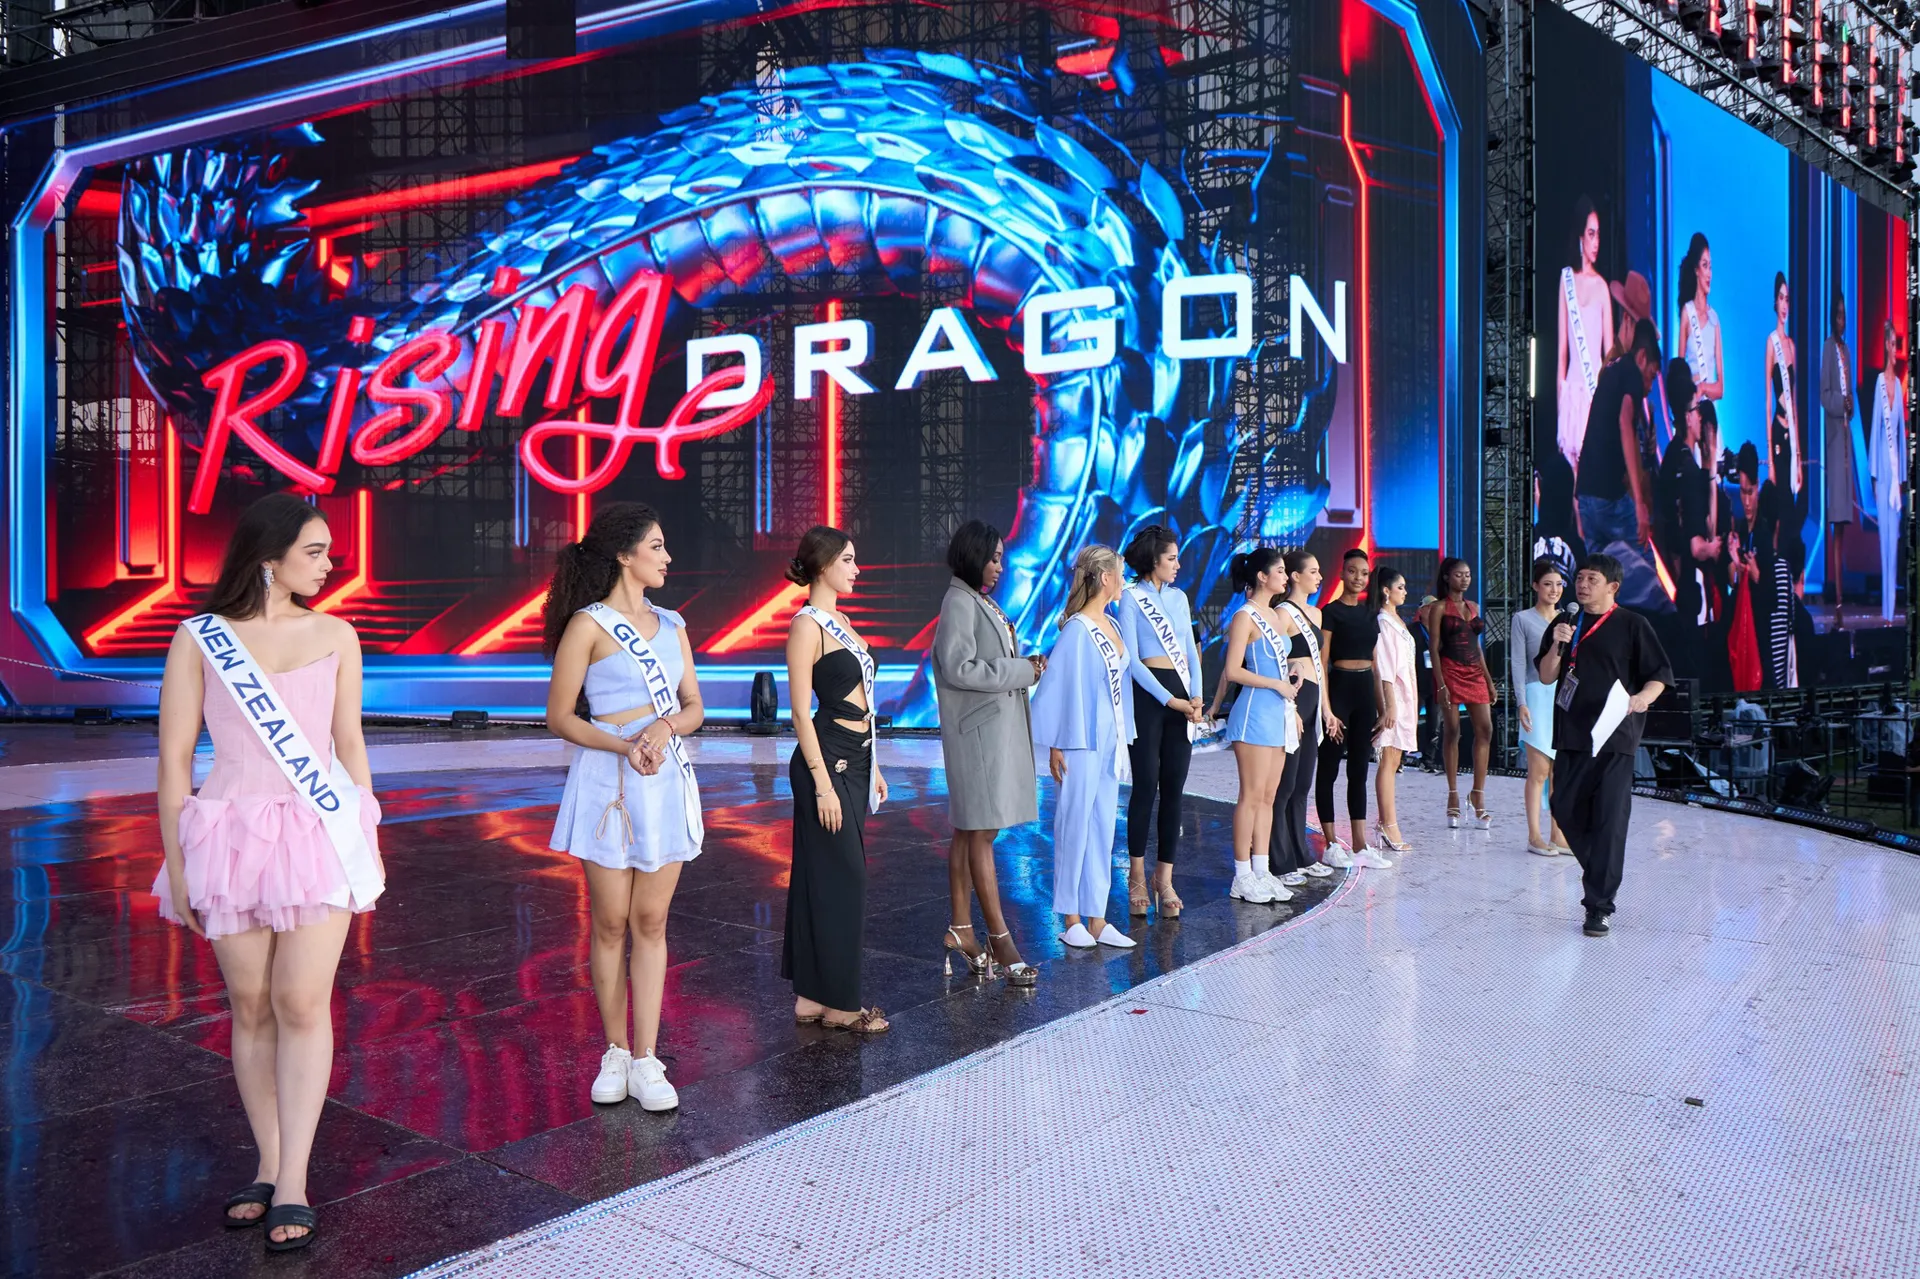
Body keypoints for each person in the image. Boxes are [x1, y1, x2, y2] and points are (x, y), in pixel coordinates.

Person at [153, 493, 385, 1252]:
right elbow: (174, 761)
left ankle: (294, 1181)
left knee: (300, 1000)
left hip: (318, 833)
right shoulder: (200, 639)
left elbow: (349, 742)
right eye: (314, 551)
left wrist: (365, 834)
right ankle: (268, 1161)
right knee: (250, 1005)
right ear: (267, 557)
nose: (328, 564)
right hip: (228, 835)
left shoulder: (338, 633)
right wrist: (178, 866)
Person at [544, 503, 704, 1112]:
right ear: (623, 554)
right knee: (610, 922)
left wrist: (664, 728)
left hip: (664, 779)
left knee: (652, 922)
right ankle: (614, 1051)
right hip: (607, 782)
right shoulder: (587, 625)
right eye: (657, 546)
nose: (668, 557)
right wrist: (624, 745)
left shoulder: (673, 624)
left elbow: (694, 706)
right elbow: (560, 716)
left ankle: (646, 1058)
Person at [784, 526, 891, 1032]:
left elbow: (864, 701)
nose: (855, 569)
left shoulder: (842, 622)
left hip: (858, 759)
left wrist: (877, 765)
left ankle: (811, 998)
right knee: (845, 879)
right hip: (825, 763)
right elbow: (800, 714)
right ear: (824, 565)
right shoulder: (807, 626)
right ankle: (843, 1005)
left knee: (824, 877)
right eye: (847, 560)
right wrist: (823, 784)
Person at [1536, 553, 1674, 937]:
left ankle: (1598, 906)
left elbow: (1658, 675)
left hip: (1616, 736)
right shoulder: (1565, 623)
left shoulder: (1633, 624)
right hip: (1572, 733)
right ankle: (1602, 870)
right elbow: (1546, 676)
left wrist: (1643, 698)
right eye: (1579, 578)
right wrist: (1556, 646)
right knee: (1563, 807)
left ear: (1613, 587)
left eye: (1591, 579)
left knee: (1610, 821)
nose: (1582, 585)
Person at [932, 519, 1044, 986]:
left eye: (1001, 558)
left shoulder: (973, 598)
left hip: (985, 733)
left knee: (970, 831)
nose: (1000, 566)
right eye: (994, 558)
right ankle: (1001, 940)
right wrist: (1023, 670)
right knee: (981, 833)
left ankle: (961, 928)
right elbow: (959, 667)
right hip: (977, 736)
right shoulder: (959, 600)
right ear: (973, 555)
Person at [1031, 545, 1137, 948]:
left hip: (1109, 739)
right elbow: (1058, 687)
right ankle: (1070, 916)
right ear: (1106, 578)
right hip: (1078, 739)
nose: (1124, 581)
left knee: (1103, 825)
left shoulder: (1114, 626)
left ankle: (1098, 917)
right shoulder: (1077, 629)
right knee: (1073, 823)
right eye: (1121, 574)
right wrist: (1057, 744)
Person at [1118, 525, 1204, 917]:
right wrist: (1169, 699)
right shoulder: (1130, 597)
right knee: (1145, 786)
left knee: (1174, 789)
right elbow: (1132, 660)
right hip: (1150, 698)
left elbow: (1190, 651)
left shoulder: (1179, 598)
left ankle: (1164, 878)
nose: (1177, 564)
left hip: (1183, 698)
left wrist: (1196, 696)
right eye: (1171, 558)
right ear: (1154, 560)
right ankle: (1137, 875)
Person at [1208, 547, 1299, 904]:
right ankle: (1242, 875)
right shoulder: (1244, 617)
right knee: (1251, 795)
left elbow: (1277, 663)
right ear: (1262, 576)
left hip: (1278, 713)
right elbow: (1232, 671)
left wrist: (1290, 676)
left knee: (1268, 797)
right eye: (1280, 570)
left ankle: (1262, 871)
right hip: (1254, 714)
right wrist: (1276, 683)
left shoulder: (1275, 615)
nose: (1285, 576)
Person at [1315, 549, 1392, 867]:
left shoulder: (1371, 615)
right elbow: (1321, 662)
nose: (1358, 578)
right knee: (1329, 768)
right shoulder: (1330, 612)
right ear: (1342, 573)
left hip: (1364, 695)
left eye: (1364, 573)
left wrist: (1383, 707)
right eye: (1352, 571)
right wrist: (1327, 708)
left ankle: (1360, 846)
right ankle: (1331, 844)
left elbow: (1375, 665)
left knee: (1359, 770)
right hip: (1339, 690)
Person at [1269, 550, 1338, 883]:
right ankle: (1279, 860)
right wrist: (1291, 707)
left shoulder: (1317, 613)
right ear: (1295, 576)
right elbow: (1275, 662)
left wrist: (1326, 709)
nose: (1319, 577)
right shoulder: (1282, 613)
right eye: (1313, 571)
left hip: (1314, 698)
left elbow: (1319, 665)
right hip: (1295, 700)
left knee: (1302, 784)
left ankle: (1302, 854)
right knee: (1285, 784)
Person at [1578, 318, 1662, 556]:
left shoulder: (1611, 370)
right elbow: (1625, 423)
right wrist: (1639, 503)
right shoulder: (1632, 373)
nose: (1650, 387)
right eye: (1651, 376)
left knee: (1600, 573)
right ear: (1642, 357)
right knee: (1644, 561)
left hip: (1585, 495)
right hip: (1607, 496)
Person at [1422, 557, 1495, 829]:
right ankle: (1452, 794)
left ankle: (1477, 793)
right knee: (1452, 730)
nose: (1464, 579)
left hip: (1475, 672)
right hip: (1450, 671)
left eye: (1468, 574)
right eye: (1458, 575)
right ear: (1446, 577)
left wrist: (1488, 680)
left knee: (1485, 729)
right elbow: (1434, 648)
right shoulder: (1438, 608)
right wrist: (1440, 684)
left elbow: (1477, 647)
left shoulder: (1473, 606)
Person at [1655, 360, 1723, 636]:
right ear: (1687, 417)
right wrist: (1715, 548)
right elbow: (1698, 546)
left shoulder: (1671, 456)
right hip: (1688, 591)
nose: (1701, 416)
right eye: (1696, 409)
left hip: (1670, 583)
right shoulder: (1689, 470)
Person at [1510, 557, 1572, 857]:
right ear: (1535, 586)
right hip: (1536, 695)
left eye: (1559, 584)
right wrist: (1521, 702)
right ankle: (1534, 836)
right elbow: (1518, 664)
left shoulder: (1568, 619)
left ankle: (1557, 835)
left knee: (1560, 771)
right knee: (1539, 770)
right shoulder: (1522, 619)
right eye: (1548, 584)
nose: (1554, 590)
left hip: (1563, 697)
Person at [1558, 196, 1611, 476]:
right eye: (1591, 234)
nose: (1596, 242)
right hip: (1572, 397)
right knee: (1573, 488)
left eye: (1598, 234)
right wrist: (1560, 408)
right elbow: (1562, 353)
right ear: (1580, 237)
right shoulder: (1566, 280)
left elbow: (1610, 354)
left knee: (1593, 482)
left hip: (1595, 396)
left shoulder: (1603, 287)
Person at [1371, 568, 1418, 855]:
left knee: (1395, 759)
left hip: (1405, 694)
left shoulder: (1396, 620)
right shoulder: (1383, 622)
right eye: (1400, 587)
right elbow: (1385, 668)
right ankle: (1388, 824)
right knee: (1388, 760)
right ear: (1386, 590)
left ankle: (1386, 823)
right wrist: (1389, 705)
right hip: (1395, 697)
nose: (1405, 592)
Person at [1822, 291, 1859, 626]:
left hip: (1846, 441)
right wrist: (1840, 403)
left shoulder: (1847, 352)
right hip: (1834, 442)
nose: (1841, 321)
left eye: (1844, 315)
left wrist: (1851, 404)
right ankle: (1835, 601)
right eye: (1837, 315)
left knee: (1844, 523)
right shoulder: (1827, 348)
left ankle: (1841, 597)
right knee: (1835, 520)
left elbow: (1852, 398)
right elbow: (1825, 395)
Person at [1870, 320, 1908, 624]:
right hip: (1881, 473)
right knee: (1883, 541)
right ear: (1886, 346)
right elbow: (1875, 431)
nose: (1896, 349)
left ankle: (1892, 611)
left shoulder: (1900, 386)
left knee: (1894, 543)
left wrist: (1904, 478)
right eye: (1893, 344)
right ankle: (1885, 611)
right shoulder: (1880, 384)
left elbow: (1902, 434)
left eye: (1897, 344)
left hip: (1895, 480)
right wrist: (1873, 476)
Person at [1764, 271, 1805, 501]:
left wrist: (1798, 457)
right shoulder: (1771, 344)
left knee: (1791, 505)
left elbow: (1795, 404)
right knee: (1779, 505)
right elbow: (1768, 403)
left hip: (1792, 437)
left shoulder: (1792, 347)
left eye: (1787, 299)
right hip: (1778, 433)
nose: (1784, 305)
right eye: (1781, 298)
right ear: (1775, 302)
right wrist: (1770, 460)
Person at [1677, 233, 1724, 405]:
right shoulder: (1687, 313)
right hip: (1690, 409)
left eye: (1711, 267)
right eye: (1705, 266)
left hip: (1709, 411)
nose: (1709, 274)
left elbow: (1720, 389)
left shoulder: (1714, 320)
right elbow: (1678, 375)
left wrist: (1703, 388)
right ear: (1696, 270)